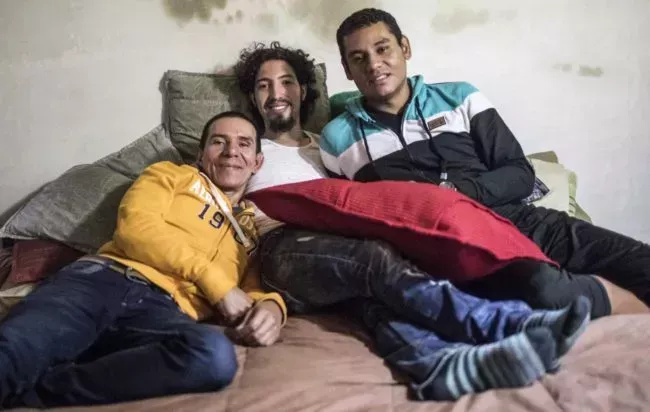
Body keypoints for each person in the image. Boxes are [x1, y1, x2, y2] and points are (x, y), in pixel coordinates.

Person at [234, 42, 591, 401]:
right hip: (284, 250)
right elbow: (223, 227)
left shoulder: (333, 148)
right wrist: (258, 295)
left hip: (338, 256)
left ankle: (439, 365)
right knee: (374, 257)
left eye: (287, 82)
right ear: (252, 94)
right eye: (264, 85)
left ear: (304, 90)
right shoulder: (245, 149)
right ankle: (507, 321)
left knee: (376, 298)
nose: (276, 93)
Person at [321, 8, 650, 319]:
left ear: (404, 48)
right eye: (358, 58)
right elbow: (348, 220)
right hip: (456, 248)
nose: (374, 65)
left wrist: (455, 193)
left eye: (383, 49)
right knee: (544, 289)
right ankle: (609, 299)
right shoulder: (336, 139)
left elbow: (520, 174)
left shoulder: (461, 97)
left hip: (522, 219)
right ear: (347, 69)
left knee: (642, 263)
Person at [0, 112, 286, 408]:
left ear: (257, 162)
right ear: (201, 155)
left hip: (162, 314)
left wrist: (273, 307)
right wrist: (213, 282)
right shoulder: (170, 175)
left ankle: (38, 393)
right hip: (99, 282)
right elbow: (136, 228)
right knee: (14, 353)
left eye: (244, 144)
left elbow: (254, 286)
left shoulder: (251, 232)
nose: (231, 152)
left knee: (212, 355)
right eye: (219, 141)